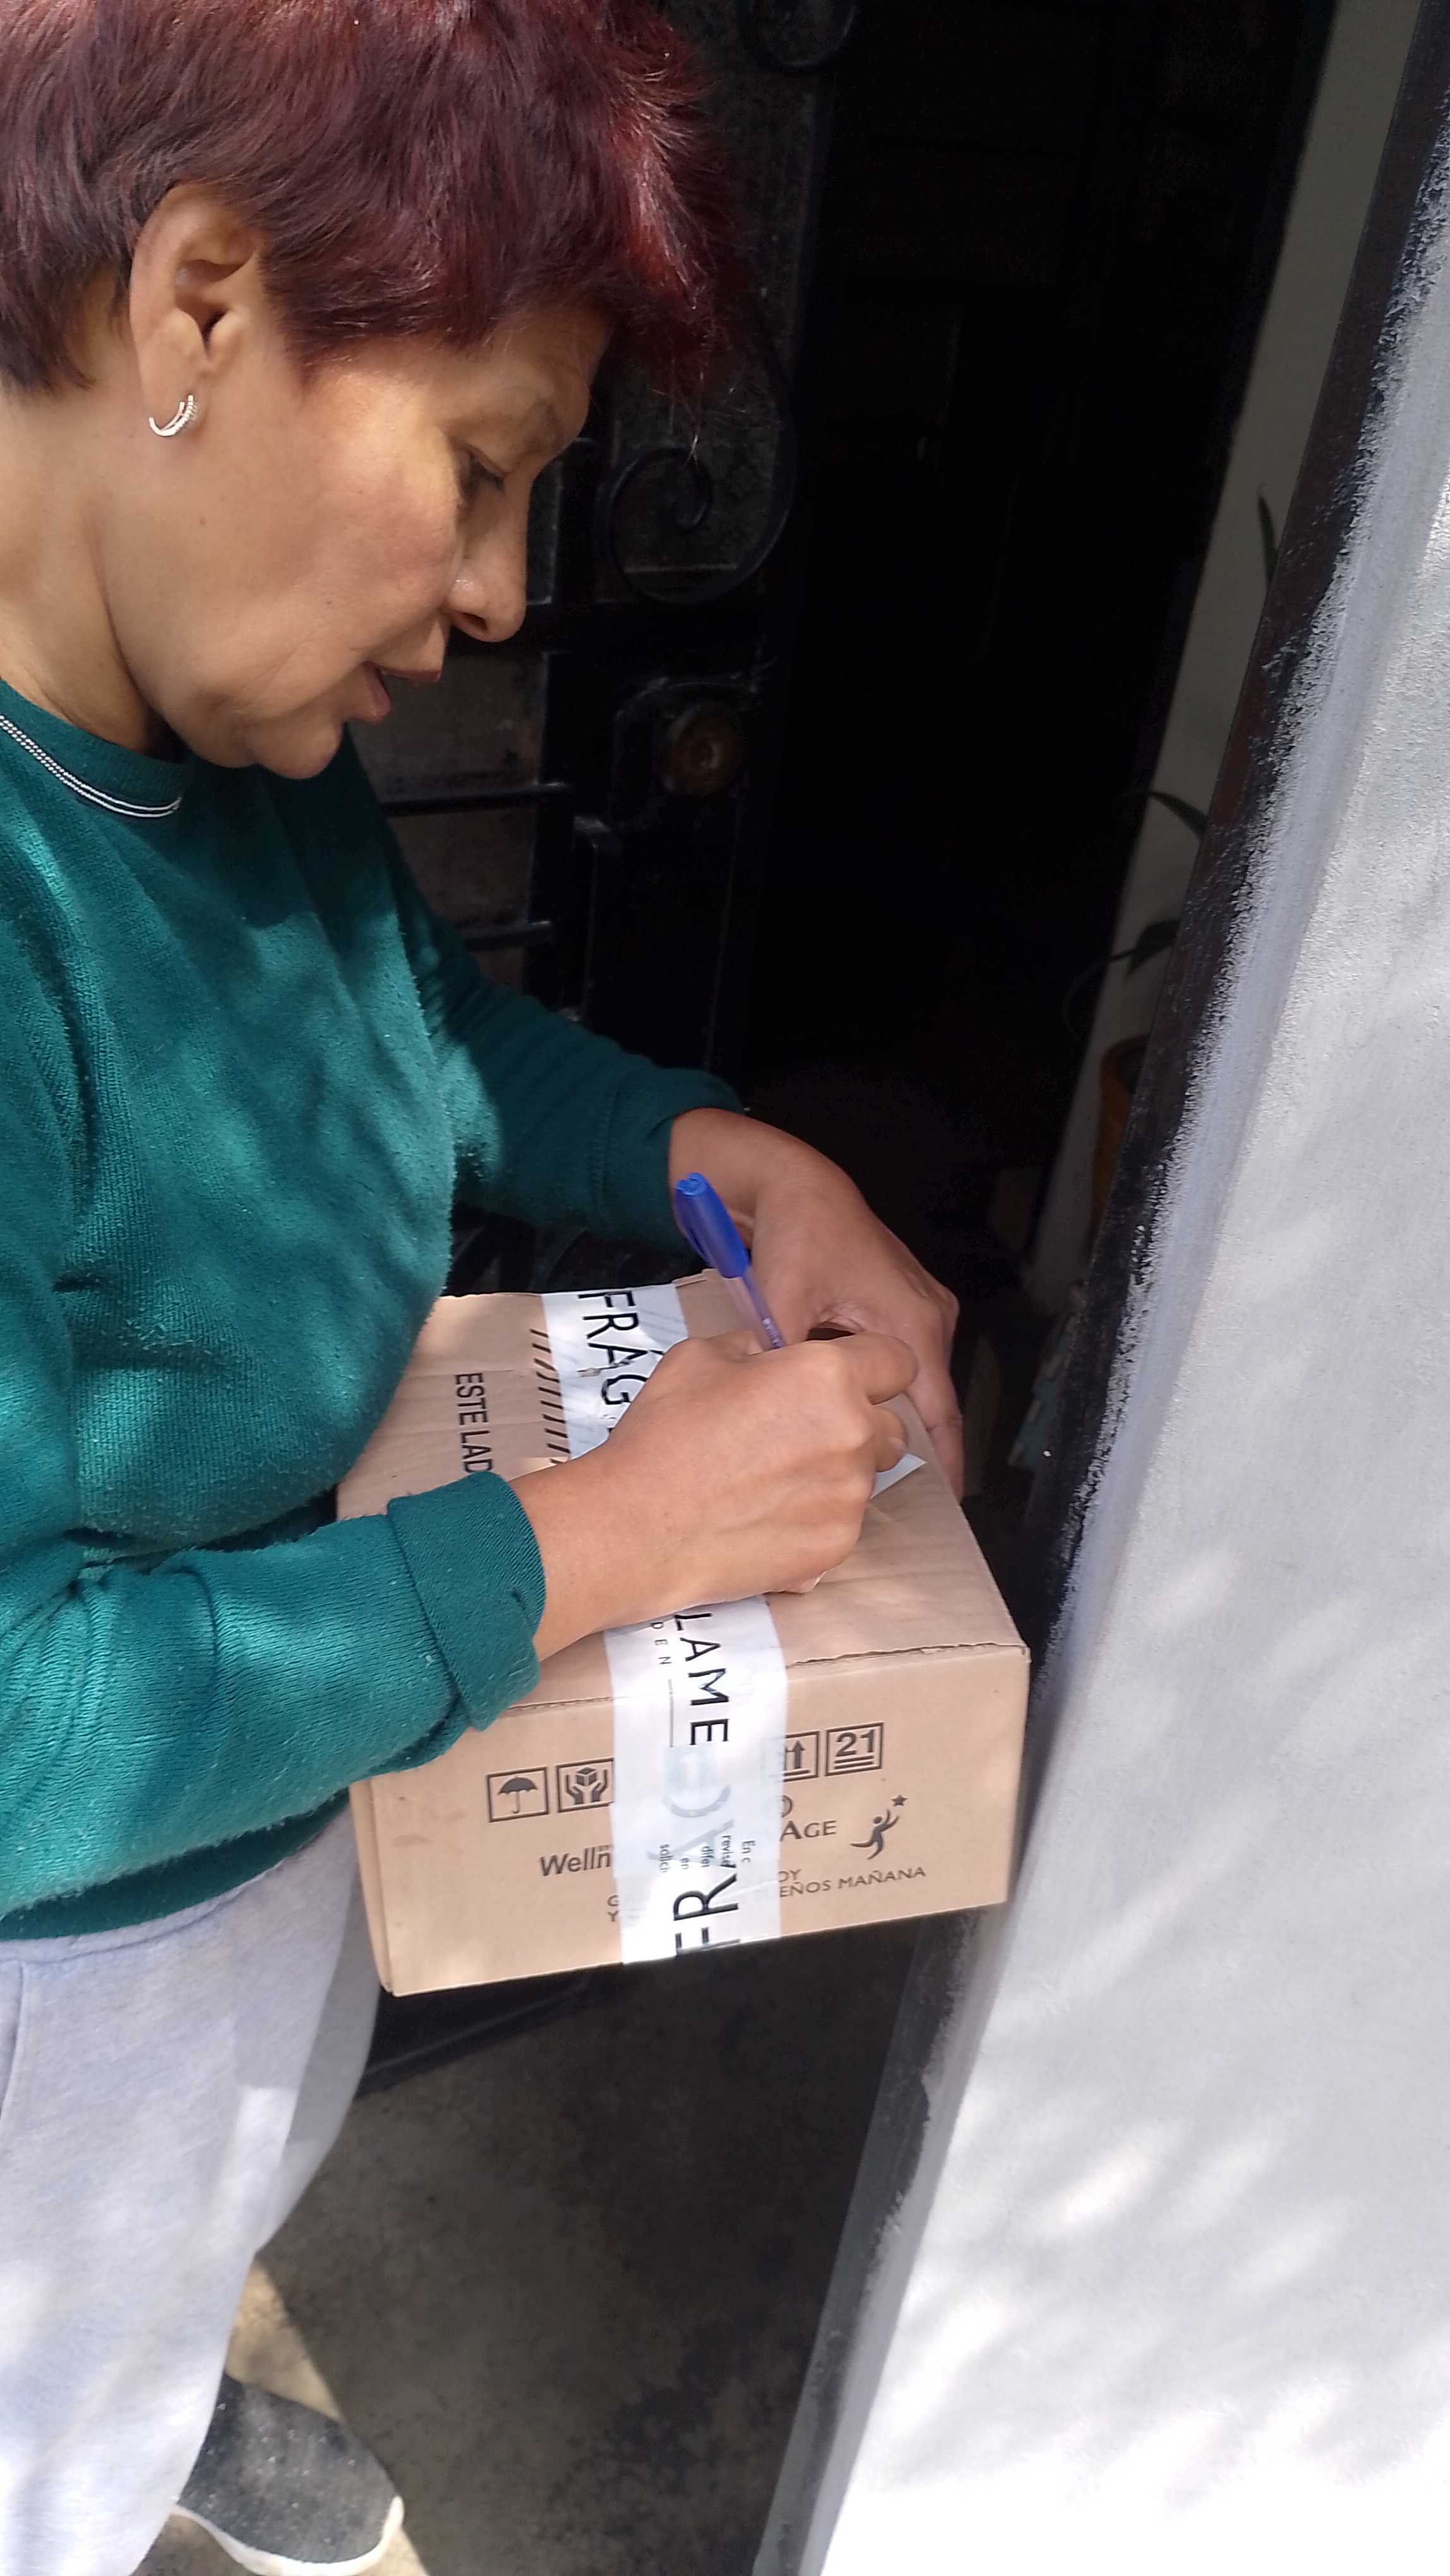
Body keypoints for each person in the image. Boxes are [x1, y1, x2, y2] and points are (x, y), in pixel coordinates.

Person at [0, 2, 962, 2568]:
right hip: (54, 1978)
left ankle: (149, 2362)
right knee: (40, 2399)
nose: (502, 596)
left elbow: (407, 1039)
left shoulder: (223, 736)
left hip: (285, 1779)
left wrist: (716, 1155)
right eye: (481, 466)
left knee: (208, 2195)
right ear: (201, 302)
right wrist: (603, 1542)